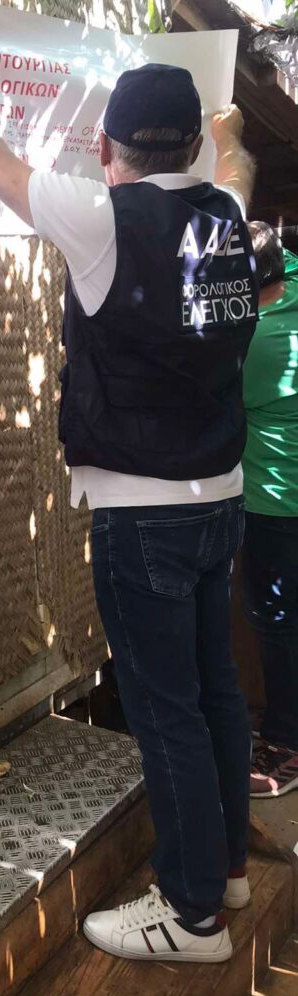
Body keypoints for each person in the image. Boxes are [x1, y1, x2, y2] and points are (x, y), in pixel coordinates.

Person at [0, 36, 258, 963]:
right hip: (219, 502)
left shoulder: (103, 219)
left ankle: (193, 916)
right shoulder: (228, 220)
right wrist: (230, 130)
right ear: (191, 149)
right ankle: (226, 871)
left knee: (166, 711)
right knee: (215, 691)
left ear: (107, 150)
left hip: (142, 515)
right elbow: (237, 168)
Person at [242, 222, 298, 797]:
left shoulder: (255, 342)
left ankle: (286, 743)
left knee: (278, 621)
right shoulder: (295, 283)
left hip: (276, 501)